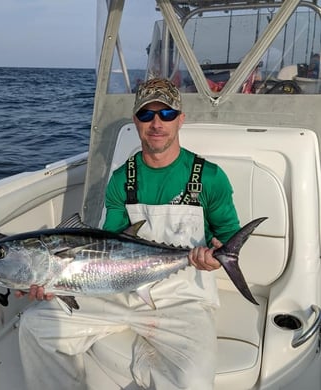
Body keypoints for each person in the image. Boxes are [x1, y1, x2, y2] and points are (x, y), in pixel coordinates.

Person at [18, 77, 240, 390]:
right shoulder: (123, 179)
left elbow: (228, 237)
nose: (157, 123)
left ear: (181, 119)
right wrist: (57, 279)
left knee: (194, 381)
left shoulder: (209, 178)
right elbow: (109, 248)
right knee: (35, 325)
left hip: (183, 299)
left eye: (166, 114)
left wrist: (215, 257)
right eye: (147, 115)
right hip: (117, 289)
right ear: (136, 120)